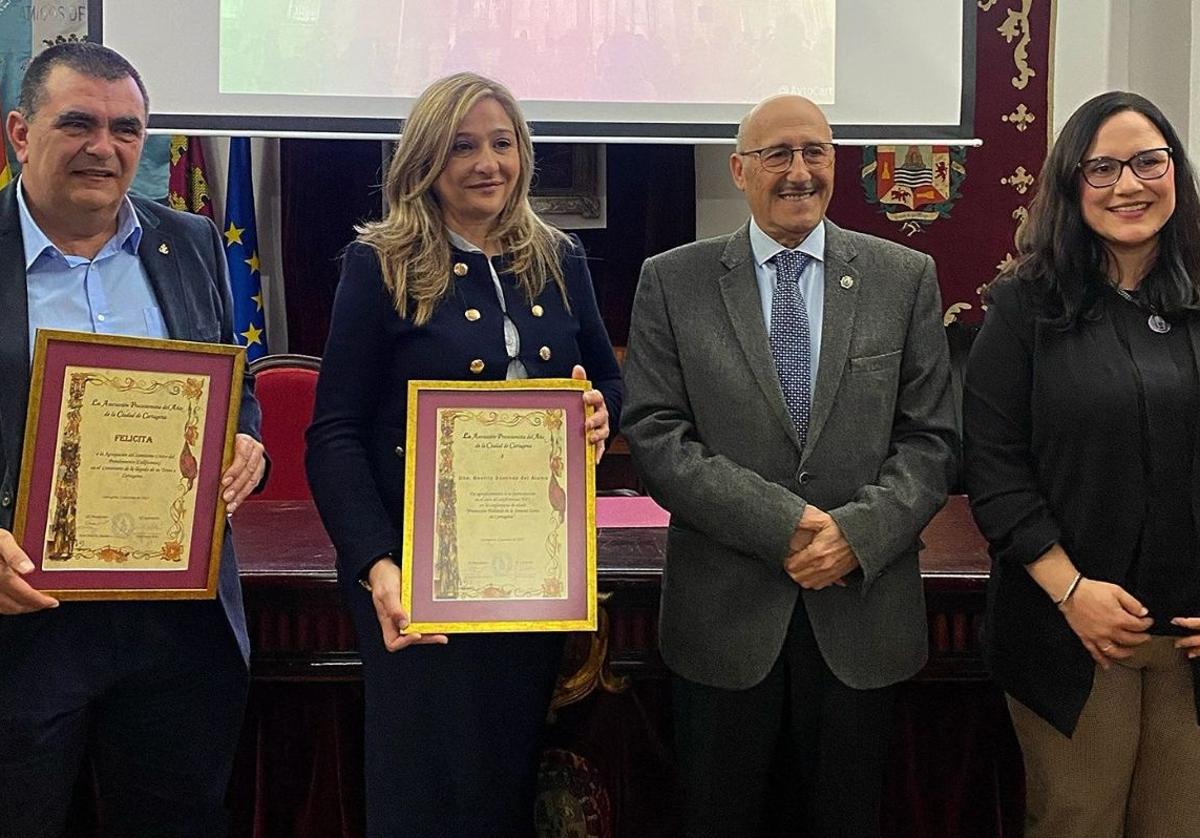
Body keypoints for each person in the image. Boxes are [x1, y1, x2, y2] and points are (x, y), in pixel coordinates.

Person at [621, 94, 958, 837]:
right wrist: (785, 525)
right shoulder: (672, 281)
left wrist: (857, 535)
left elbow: (932, 440)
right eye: (778, 154)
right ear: (740, 169)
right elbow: (655, 435)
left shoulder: (904, 277)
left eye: (816, 152)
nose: (799, 171)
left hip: (861, 617)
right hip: (724, 622)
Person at [304, 72, 621, 838]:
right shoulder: (378, 263)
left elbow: (607, 378)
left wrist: (600, 414)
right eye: (463, 146)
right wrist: (379, 568)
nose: (488, 163)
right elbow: (334, 433)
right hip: (418, 584)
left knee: (502, 782)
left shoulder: (559, 257)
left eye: (503, 144)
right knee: (425, 791)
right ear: (426, 159)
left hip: (528, 576)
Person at [0, 42, 266, 838]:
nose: (103, 147)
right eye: (77, 122)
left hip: (175, 623)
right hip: (21, 621)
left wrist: (246, 443)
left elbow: (235, 384)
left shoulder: (187, 241)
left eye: (127, 129)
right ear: (19, 132)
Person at [964, 91, 1200, 837]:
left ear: (1175, 172)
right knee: (1079, 820)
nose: (1129, 184)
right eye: (1102, 168)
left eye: (1147, 161)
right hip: (1068, 635)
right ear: (1070, 185)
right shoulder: (1022, 308)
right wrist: (1071, 592)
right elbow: (994, 473)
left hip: (1190, 641)